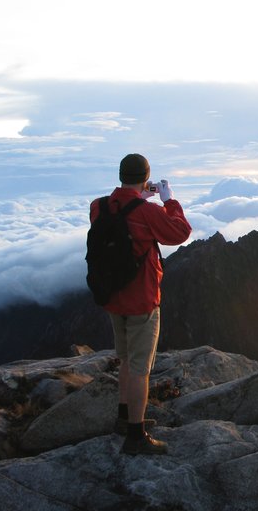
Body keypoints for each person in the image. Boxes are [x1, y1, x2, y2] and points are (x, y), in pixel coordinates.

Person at [90, 153, 191, 455]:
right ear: (146, 177)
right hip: (142, 299)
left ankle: (123, 417)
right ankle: (136, 436)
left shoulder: (99, 206)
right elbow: (180, 232)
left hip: (112, 297)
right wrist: (168, 201)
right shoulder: (147, 212)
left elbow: (121, 214)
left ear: (120, 174)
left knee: (124, 359)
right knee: (140, 369)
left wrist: (138, 195)